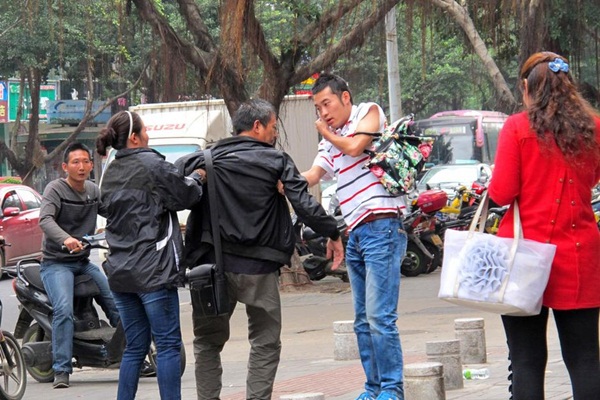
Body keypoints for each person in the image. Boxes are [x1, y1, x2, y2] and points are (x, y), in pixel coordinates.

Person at [175, 98, 344, 400]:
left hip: (212, 270)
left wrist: (199, 174)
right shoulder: (277, 161)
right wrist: (332, 231)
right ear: (257, 126)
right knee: (265, 342)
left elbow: (172, 181)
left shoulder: (205, 159)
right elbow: (304, 204)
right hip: (260, 269)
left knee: (207, 342)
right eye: (273, 127)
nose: (274, 133)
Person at [488, 51, 600, 400]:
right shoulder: (594, 127)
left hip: (522, 257)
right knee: (585, 359)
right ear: (568, 85)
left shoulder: (517, 127)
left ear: (526, 88)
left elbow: (503, 193)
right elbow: (594, 178)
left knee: (526, 360)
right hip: (579, 256)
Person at [302, 73, 407, 400]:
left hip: (382, 224)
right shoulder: (328, 139)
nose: (324, 113)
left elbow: (355, 145)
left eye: (327, 104)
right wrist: (275, 179)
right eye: (318, 108)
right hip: (356, 231)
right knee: (362, 321)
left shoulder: (369, 112)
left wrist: (325, 133)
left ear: (345, 97)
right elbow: (314, 175)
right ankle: (372, 388)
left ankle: (392, 388)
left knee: (380, 317)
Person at [96, 110, 204, 400]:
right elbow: (187, 196)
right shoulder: (152, 163)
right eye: (144, 131)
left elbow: (105, 208)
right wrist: (197, 177)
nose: (148, 135)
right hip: (154, 271)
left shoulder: (109, 170)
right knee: (168, 346)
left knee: (134, 347)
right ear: (134, 137)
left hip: (120, 272)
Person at [39, 142, 121, 389]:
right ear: (65, 167)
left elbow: (113, 214)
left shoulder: (93, 192)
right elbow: (45, 219)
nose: (82, 166)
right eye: (76, 162)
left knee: (116, 301)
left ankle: (132, 354)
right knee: (63, 310)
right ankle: (62, 369)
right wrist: (66, 238)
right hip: (56, 264)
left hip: (83, 263)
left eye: (86, 161)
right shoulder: (55, 189)